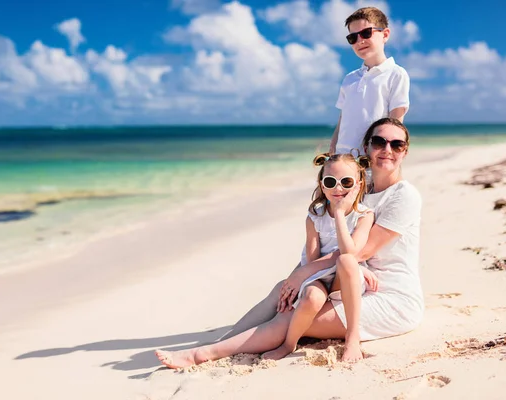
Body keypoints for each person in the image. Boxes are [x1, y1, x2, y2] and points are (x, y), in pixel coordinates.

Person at [155, 117, 423, 367]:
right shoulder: (359, 190)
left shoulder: (404, 196)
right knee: (282, 291)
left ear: (406, 152)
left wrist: (303, 272)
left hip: (390, 297)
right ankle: (222, 342)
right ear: (367, 147)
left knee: (290, 318)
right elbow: (328, 236)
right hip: (352, 286)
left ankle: (203, 355)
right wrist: (295, 279)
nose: (387, 149)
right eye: (379, 142)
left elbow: (357, 252)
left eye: (397, 144)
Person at [262, 152, 376, 361]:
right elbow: (313, 261)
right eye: (331, 182)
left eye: (346, 182)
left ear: (359, 184)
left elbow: (350, 252)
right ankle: (289, 344)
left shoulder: (364, 215)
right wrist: (300, 280)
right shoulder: (315, 216)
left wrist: (340, 214)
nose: (338, 188)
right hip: (321, 275)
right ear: (322, 185)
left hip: (346, 279)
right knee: (311, 298)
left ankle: (352, 338)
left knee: (346, 260)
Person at [329, 7, 410, 155]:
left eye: (366, 33)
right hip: (343, 160)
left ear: (385, 35)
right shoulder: (350, 79)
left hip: (371, 160)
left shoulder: (396, 74)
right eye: (353, 38)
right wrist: (333, 148)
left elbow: (396, 124)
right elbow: (343, 118)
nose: (360, 41)